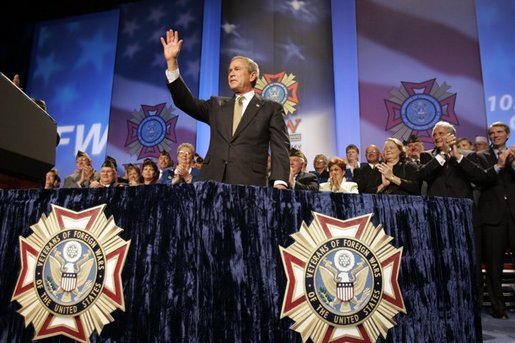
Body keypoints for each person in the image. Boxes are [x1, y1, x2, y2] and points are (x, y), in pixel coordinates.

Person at [161, 29, 290, 188]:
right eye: (229, 70)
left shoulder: (271, 108)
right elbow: (185, 102)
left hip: (249, 183)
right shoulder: (217, 105)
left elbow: (280, 148)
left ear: (252, 76)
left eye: (237, 69)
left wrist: (280, 182)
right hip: (211, 181)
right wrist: (172, 63)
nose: (231, 73)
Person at [471, 122, 515, 319]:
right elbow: (480, 180)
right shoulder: (481, 157)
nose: (495, 135)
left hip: (513, 215)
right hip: (491, 217)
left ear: (507, 135)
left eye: (499, 132)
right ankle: (499, 307)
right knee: (494, 266)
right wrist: (499, 165)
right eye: (492, 133)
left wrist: (512, 163)